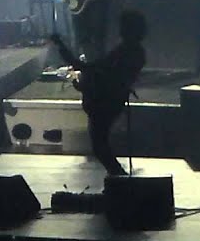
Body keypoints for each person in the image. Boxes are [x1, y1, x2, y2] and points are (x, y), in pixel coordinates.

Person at [51, 10, 148, 176]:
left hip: (105, 102)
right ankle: (119, 179)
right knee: (100, 146)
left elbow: (96, 71)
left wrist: (61, 47)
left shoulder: (125, 52)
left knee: (100, 146)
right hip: (110, 101)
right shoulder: (133, 51)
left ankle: (120, 180)